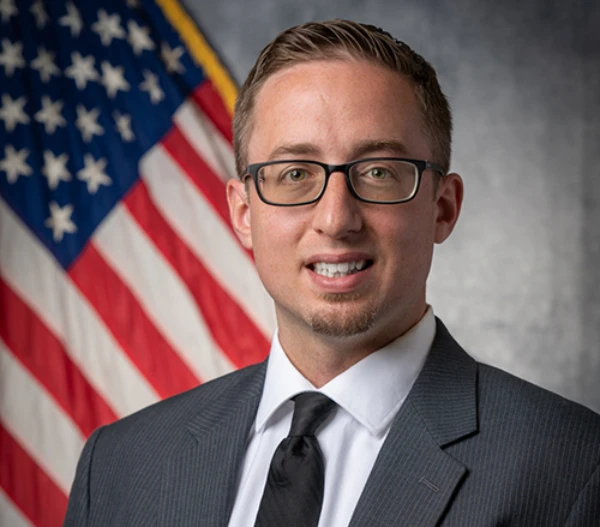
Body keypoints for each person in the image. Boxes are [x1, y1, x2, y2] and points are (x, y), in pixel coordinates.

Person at [64, 20, 600, 526]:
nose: (336, 219)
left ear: (443, 207)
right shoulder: (119, 467)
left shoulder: (573, 469)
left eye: (379, 173)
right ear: (244, 214)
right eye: (294, 173)